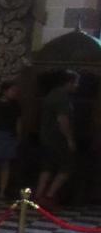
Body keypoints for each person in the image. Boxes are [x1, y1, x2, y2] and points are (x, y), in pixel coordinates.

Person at [35, 69, 79, 206]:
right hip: (58, 139)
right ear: (69, 83)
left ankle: (38, 195)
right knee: (67, 168)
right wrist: (70, 139)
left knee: (47, 167)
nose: (77, 86)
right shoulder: (62, 97)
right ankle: (49, 195)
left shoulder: (52, 94)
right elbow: (62, 120)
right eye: (76, 83)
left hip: (46, 138)